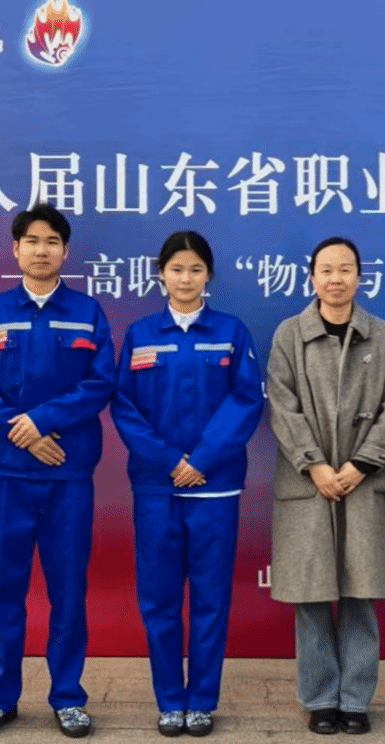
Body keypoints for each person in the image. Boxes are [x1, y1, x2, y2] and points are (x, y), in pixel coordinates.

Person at [0, 204, 115, 739]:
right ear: (16, 249)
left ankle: (67, 697)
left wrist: (43, 422)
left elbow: (99, 382)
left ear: (65, 251)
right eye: (31, 240)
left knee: (67, 590)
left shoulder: (87, 313)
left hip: (67, 475)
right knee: (4, 589)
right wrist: (20, 430)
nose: (41, 249)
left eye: (51, 241)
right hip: (7, 476)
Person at [111, 231, 264, 738]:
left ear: (208, 276)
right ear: (161, 274)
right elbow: (124, 406)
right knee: (158, 598)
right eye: (176, 269)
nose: (185, 278)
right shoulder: (140, 334)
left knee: (209, 597)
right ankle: (169, 700)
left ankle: (201, 699)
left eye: (195, 269)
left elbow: (246, 400)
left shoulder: (230, 332)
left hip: (214, 487)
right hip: (156, 487)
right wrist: (168, 460)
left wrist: (200, 460)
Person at [266, 236, 385, 736]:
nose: (335, 279)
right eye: (326, 270)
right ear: (312, 278)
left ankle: (355, 699)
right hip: (309, 484)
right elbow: (281, 405)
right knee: (311, 598)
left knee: (359, 597)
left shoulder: (382, 335)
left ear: (359, 276)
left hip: (364, 482)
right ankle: (320, 699)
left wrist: (363, 463)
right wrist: (316, 465)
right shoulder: (290, 334)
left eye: (345, 269)